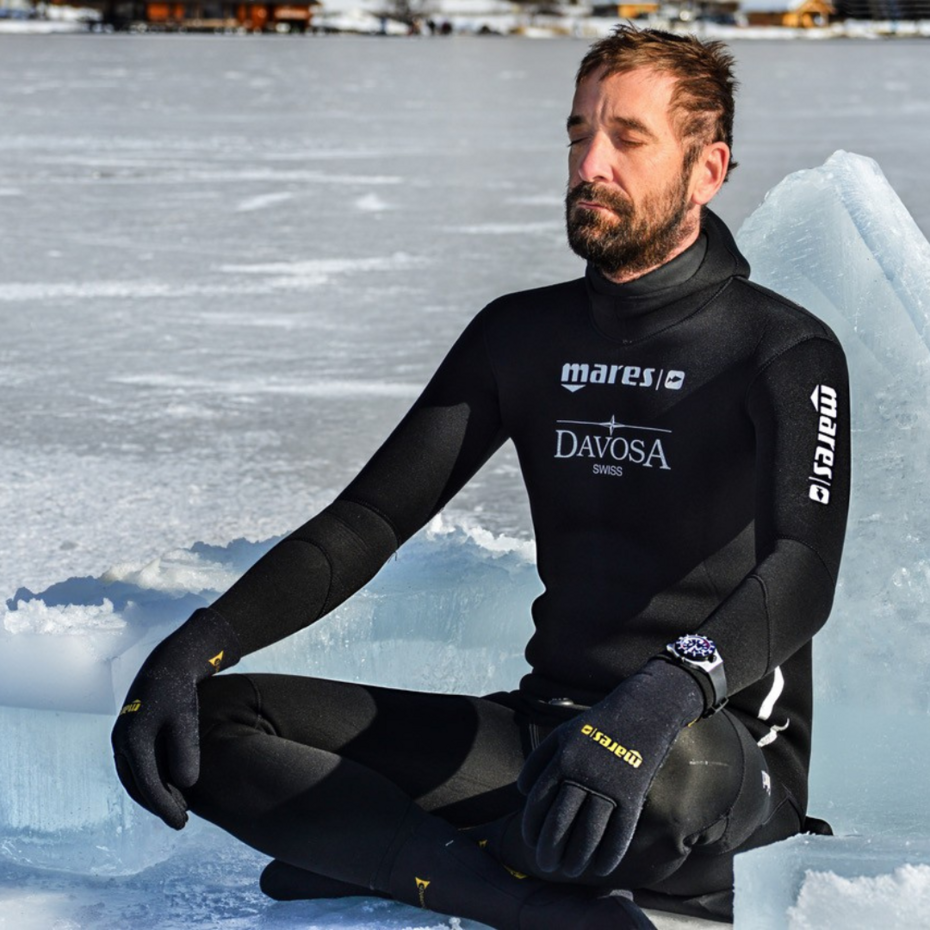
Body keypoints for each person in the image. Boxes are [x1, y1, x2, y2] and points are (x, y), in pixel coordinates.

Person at [111, 26, 850, 929]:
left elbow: (802, 573)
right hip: (543, 732)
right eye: (579, 134)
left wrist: (656, 701)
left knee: (664, 789)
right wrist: (195, 646)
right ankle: (506, 895)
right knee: (215, 724)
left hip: (716, 751)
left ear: (708, 168)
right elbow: (368, 523)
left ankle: (380, 851)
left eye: (628, 137)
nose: (591, 162)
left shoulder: (780, 348)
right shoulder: (521, 335)